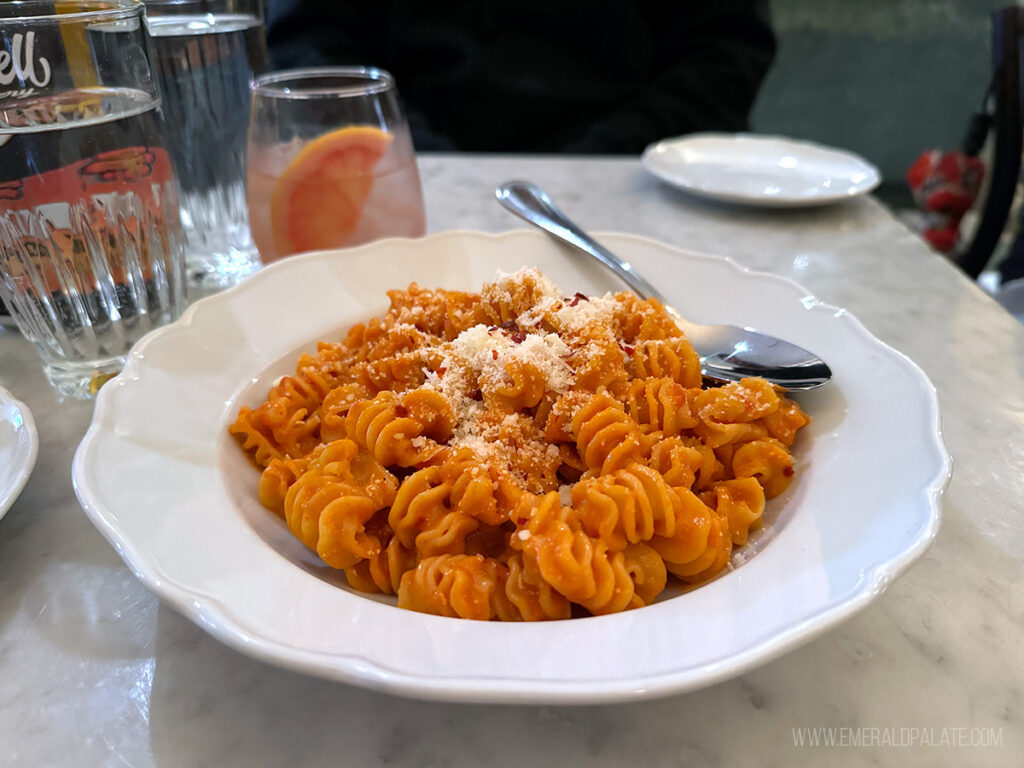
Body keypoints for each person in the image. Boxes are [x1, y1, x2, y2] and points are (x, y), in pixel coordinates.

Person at [266, 0, 776, 154]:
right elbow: (310, 45)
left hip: (635, 161)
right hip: (414, 162)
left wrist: (608, 148)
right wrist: (409, 147)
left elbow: (725, 49)